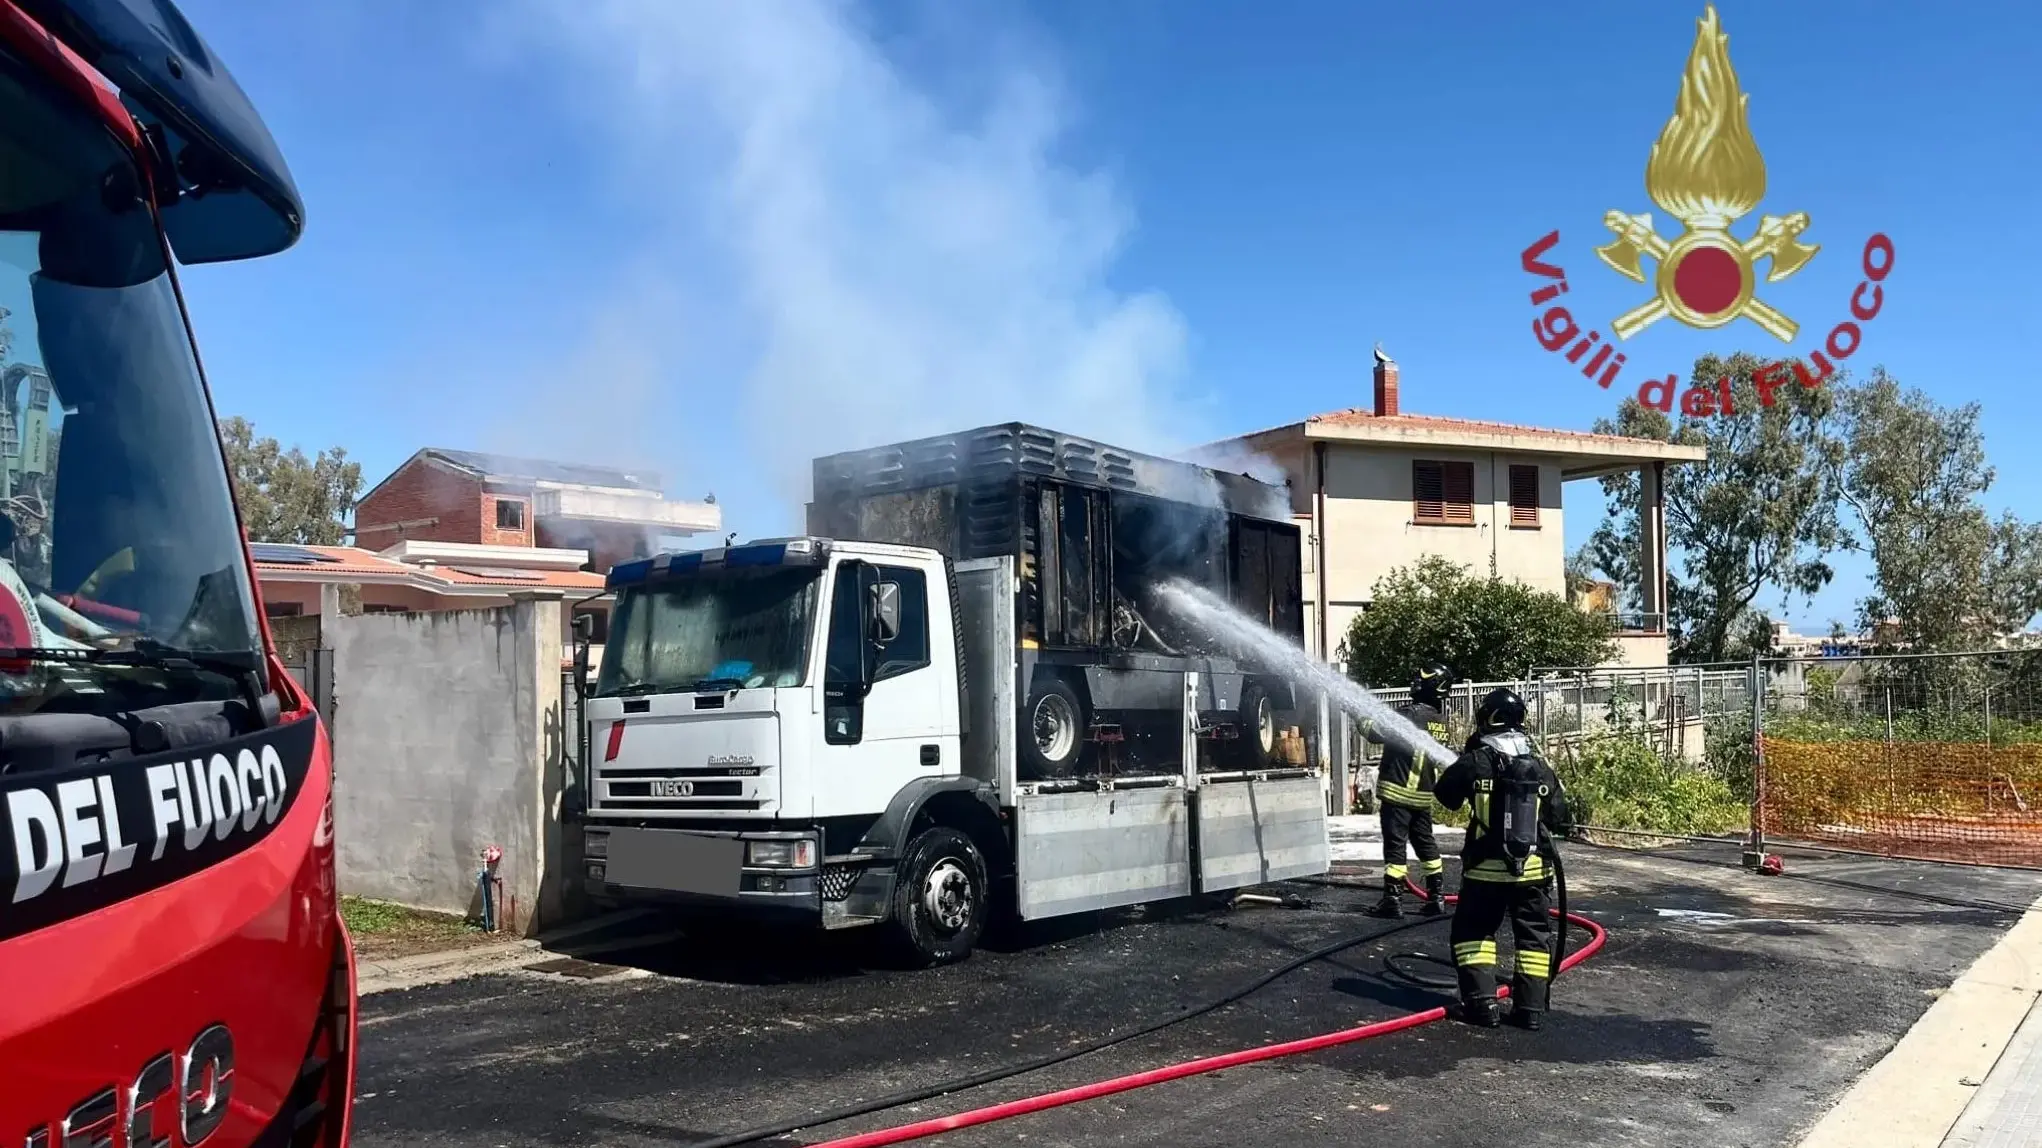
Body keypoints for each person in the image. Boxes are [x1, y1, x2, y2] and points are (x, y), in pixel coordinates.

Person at [1432, 686, 1573, 1031]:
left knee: (1474, 932)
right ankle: (1530, 1010)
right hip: (1534, 871)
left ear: (1486, 719)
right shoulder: (1537, 765)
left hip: (1485, 872)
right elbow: (1561, 816)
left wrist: (1468, 765)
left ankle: (1483, 1006)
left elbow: (1444, 795)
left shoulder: (1476, 761)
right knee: (1534, 939)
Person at [1360, 663, 1454, 919]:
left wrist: (1359, 714)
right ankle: (1436, 897)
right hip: (1422, 796)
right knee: (1426, 844)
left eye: (1422, 679)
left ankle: (1392, 899)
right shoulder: (1440, 721)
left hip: (1398, 793)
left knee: (1395, 845)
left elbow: (1374, 732)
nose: (1416, 683)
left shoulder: (1408, 715)